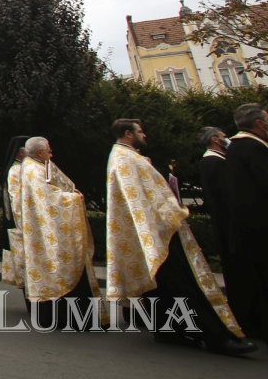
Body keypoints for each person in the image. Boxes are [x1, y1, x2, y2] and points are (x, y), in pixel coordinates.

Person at [106, 118, 255, 355]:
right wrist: (170, 214)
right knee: (183, 284)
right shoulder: (125, 159)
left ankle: (170, 331)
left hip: (157, 230)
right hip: (158, 232)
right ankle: (214, 337)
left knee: (165, 286)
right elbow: (137, 200)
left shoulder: (127, 156)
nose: (144, 135)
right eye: (140, 131)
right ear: (128, 134)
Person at [17, 136, 104, 329]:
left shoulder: (39, 165)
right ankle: (71, 318)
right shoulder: (33, 170)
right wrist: (73, 198)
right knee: (60, 268)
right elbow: (49, 199)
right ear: (39, 152)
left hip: (48, 229)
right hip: (48, 232)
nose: (51, 152)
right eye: (48, 149)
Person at [223, 103, 268, 340]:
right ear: (259, 124)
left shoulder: (235, 148)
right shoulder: (252, 148)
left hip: (247, 225)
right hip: (260, 225)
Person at [198, 126, 234, 276]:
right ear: (215, 139)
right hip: (228, 219)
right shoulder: (214, 161)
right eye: (223, 136)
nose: (227, 139)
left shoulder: (216, 159)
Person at [0, 135, 27, 292]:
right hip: (20, 223)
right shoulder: (15, 170)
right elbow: (16, 200)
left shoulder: (22, 167)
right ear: (21, 153)